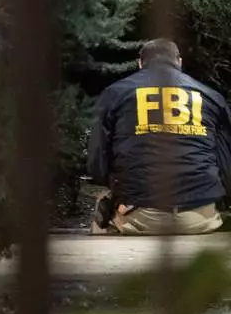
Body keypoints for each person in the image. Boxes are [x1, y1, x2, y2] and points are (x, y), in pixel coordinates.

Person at [87, 38, 231, 235]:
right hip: (200, 217)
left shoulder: (114, 94)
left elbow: (97, 165)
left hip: (140, 216)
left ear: (140, 63)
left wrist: (121, 186)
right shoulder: (211, 96)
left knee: (101, 211)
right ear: (179, 62)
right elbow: (226, 165)